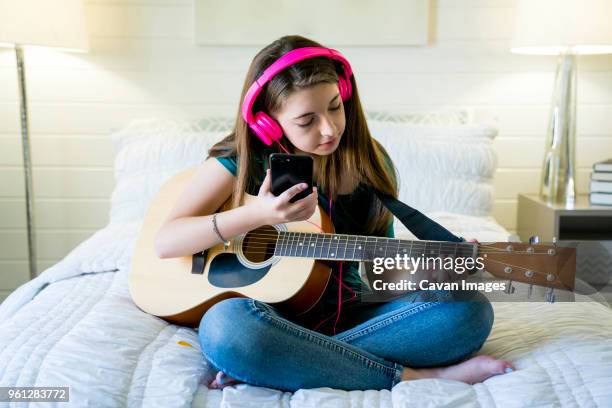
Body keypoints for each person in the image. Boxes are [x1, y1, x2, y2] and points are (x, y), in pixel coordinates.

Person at [154, 35, 515, 392]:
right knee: (225, 329)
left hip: (354, 317)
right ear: (269, 122)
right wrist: (259, 215)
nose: (328, 129)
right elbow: (167, 241)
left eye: (334, 106)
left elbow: (382, 276)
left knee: (470, 310)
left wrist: (428, 273)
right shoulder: (240, 160)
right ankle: (412, 377)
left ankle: (284, 361)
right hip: (268, 316)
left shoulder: (368, 163)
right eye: (306, 120)